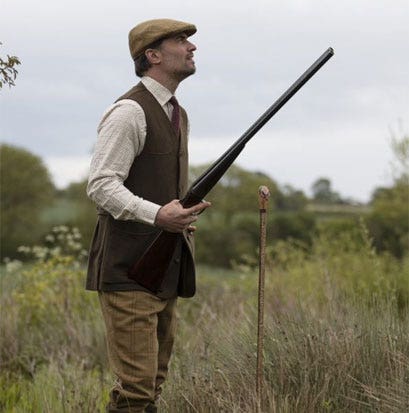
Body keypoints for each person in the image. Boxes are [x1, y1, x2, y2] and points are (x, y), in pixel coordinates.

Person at [86, 18, 210, 412]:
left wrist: (179, 216)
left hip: (163, 270)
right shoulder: (129, 112)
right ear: (152, 56)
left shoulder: (178, 113)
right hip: (129, 269)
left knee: (151, 387)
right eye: (180, 41)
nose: (192, 48)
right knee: (136, 391)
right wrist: (159, 215)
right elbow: (101, 185)